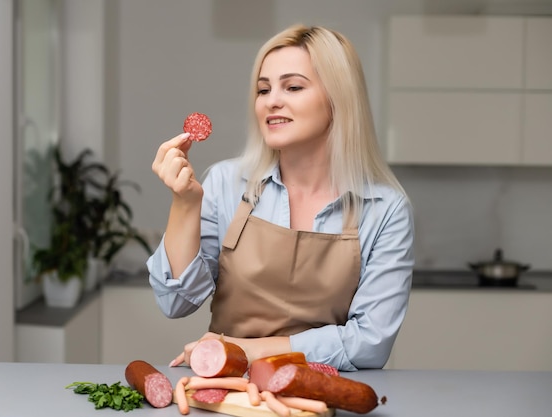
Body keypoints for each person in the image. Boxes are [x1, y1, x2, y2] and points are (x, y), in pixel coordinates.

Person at [147, 24, 414, 372]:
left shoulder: (385, 209)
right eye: (263, 89)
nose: (271, 100)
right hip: (229, 390)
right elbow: (175, 303)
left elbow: (370, 344)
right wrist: (184, 204)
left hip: (322, 395)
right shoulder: (226, 183)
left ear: (338, 99)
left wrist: (241, 348)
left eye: (293, 87)